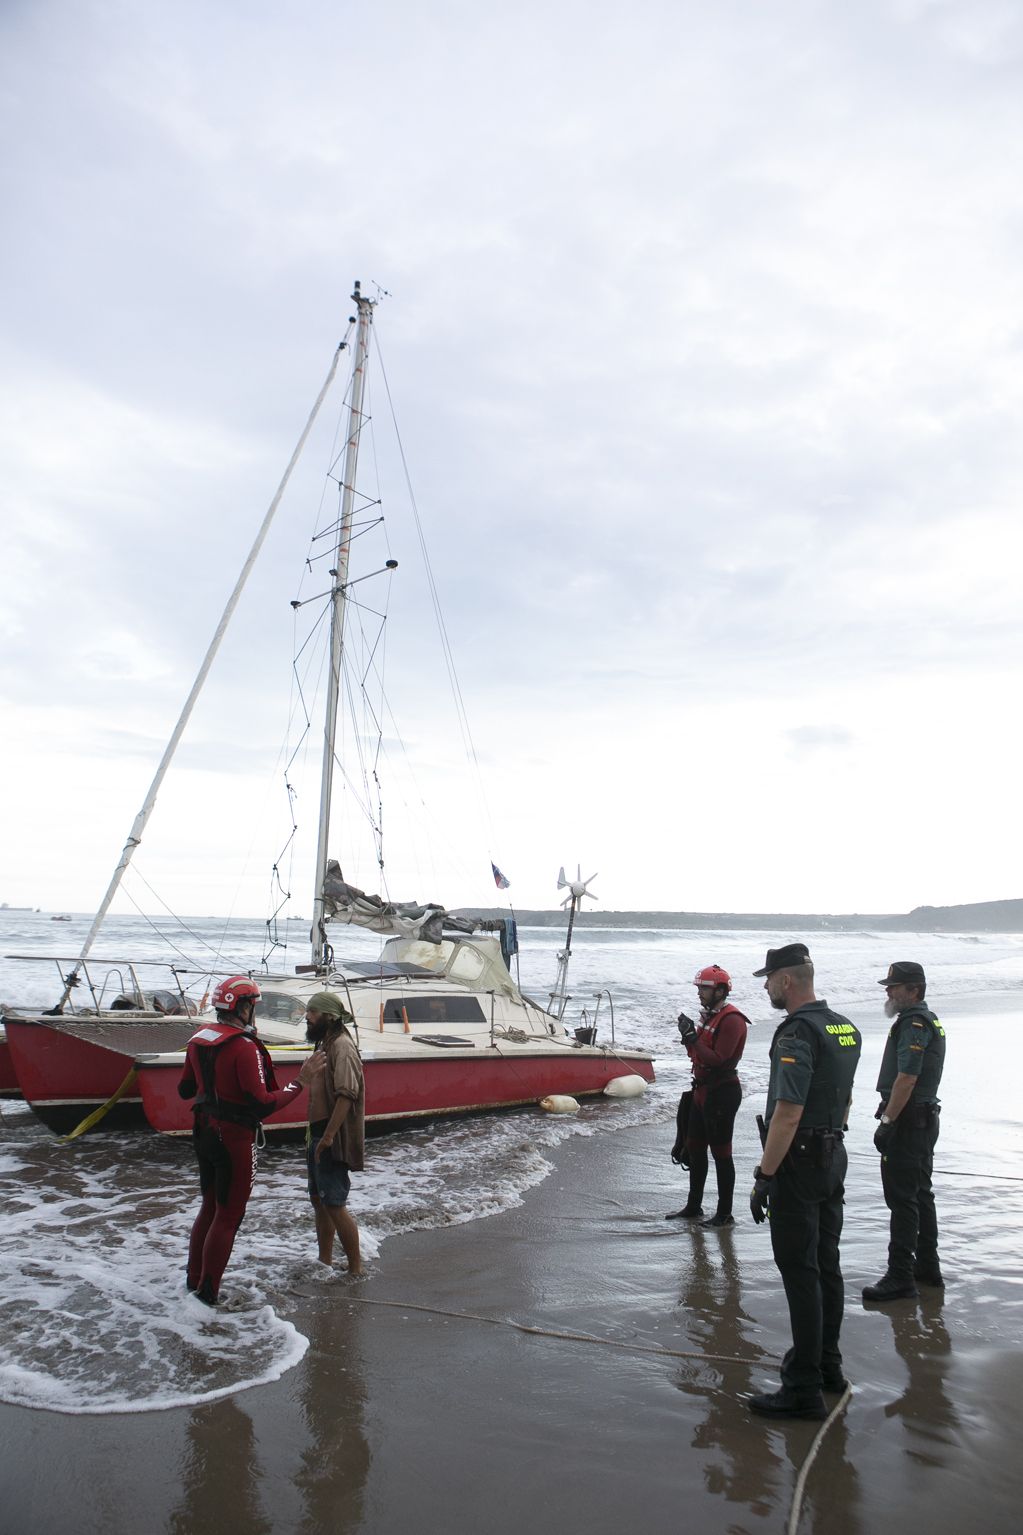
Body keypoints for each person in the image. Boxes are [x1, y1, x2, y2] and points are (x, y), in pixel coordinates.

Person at [747, 943, 862, 1419]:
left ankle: (803, 1387)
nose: (767, 987)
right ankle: (829, 1367)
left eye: (769, 979)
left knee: (801, 1273)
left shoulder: (797, 1032)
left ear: (787, 981)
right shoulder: (843, 1026)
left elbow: (787, 1113)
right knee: (826, 1264)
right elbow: (846, 1097)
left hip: (799, 1162)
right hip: (833, 1153)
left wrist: (765, 1176)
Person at [179, 974, 323, 1305]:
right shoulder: (244, 1048)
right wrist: (300, 1081)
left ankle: (194, 1280)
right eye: (253, 1005)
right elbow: (263, 1103)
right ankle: (208, 1294)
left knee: (210, 1206)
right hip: (233, 1137)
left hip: (202, 1131)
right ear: (243, 1008)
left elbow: (185, 1089)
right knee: (229, 1214)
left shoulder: (199, 1038)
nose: (254, 1011)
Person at [862, 961, 946, 1302]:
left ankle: (900, 1276)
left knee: (903, 1200)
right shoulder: (926, 1020)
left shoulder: (914, 1023)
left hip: (910, 1122)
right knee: (920, 1195)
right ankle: (927, 1267)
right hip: (922, 1119)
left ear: (914, 990)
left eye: (895, 986)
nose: (888, 991)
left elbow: (907, 1078)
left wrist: (888, 1122)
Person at [667, 965, 749, 1228]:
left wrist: (692, 1039)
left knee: (721, 1153)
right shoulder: (709, 1016)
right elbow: (697, 1055)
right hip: (702, 1089)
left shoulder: (732, 1020)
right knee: (694, 1148)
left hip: (722, 1092)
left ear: (721, 990)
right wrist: (690, 1038)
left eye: (704, 988)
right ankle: (694, 1206)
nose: (699, 993)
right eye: (699, 988)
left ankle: (724, 1214)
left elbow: (719, 1059)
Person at [304, 990, 365, 1276]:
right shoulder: (324, 1043)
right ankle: (325, 1262)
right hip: (315, 1135)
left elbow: (346, 1094)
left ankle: (356, 1269)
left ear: (329, 1016)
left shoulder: (342, 1046)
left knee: (335, 1204)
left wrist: (328, 1137)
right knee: (319, 1201)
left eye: (313, 1012)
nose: (307, 1016)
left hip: (332, 1138)